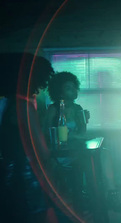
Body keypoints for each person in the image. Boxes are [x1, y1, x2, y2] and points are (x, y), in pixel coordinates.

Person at [44, 71, 121, 212]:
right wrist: (73, 137)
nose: (73, 90)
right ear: (60, 91)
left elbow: (81, 133)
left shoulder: (78, 108)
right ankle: (86, 196)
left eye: (74, 87)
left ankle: (111, 194)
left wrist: (84, 121)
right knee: (88, 162)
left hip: (76, 151)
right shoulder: (53, 109)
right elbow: (46, 134)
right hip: (60, 155)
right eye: (68, 88)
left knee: (104, 153)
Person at [0, 52, 59, 222]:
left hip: (7, 173)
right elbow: (43, 151)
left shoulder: (4, 104)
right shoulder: (25, 107)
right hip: (27, 176)